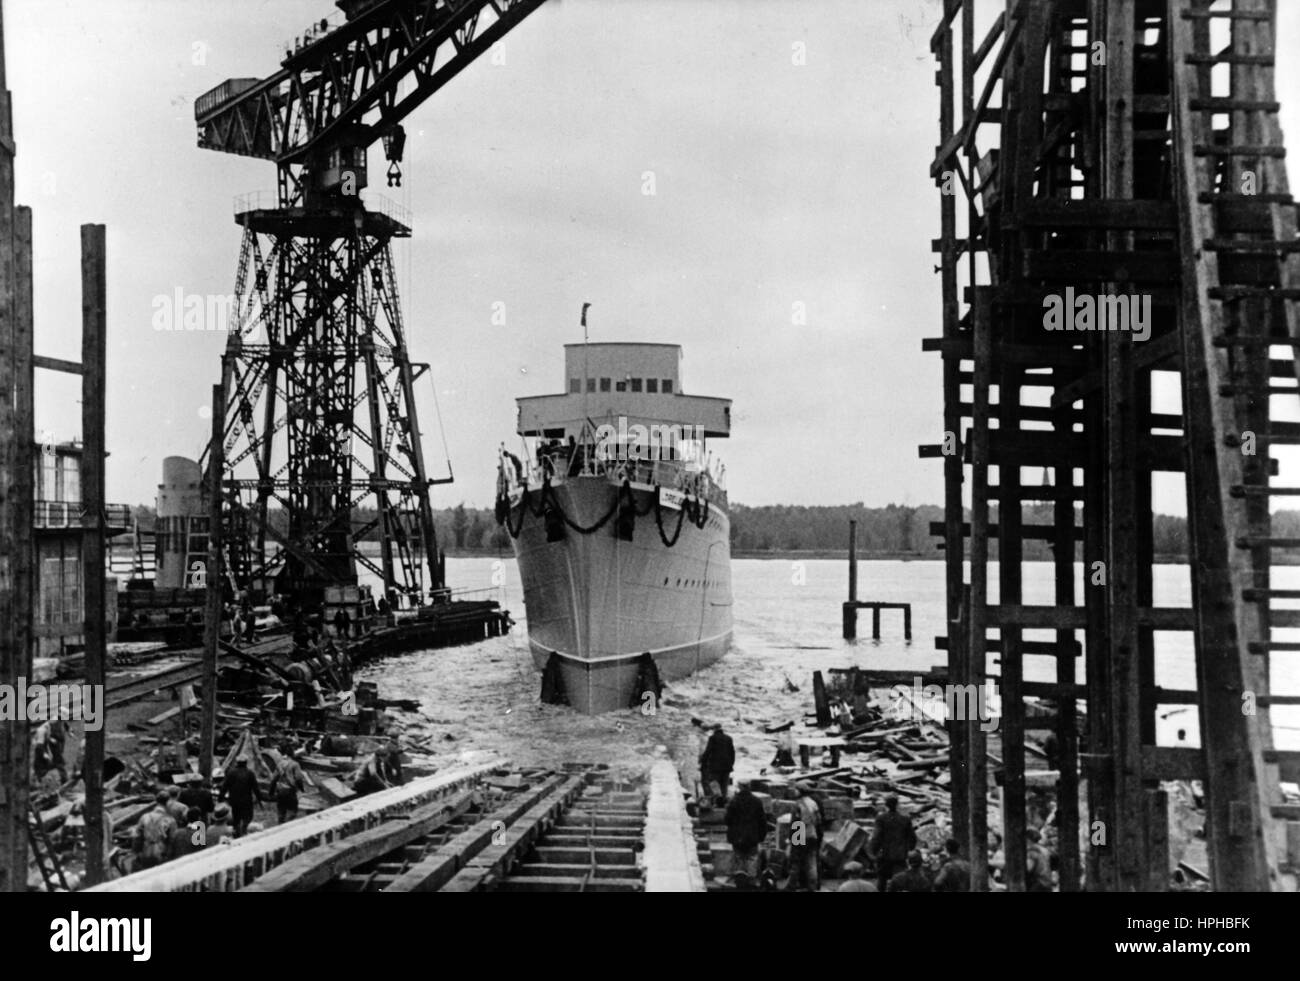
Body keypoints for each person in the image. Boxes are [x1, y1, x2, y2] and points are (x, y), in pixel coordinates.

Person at [869, 794, 917, 892]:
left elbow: (876, 836)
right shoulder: (905, 819)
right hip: (900, 855)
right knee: (899, 880)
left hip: (884, 855)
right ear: (897, 805)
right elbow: (912, 837)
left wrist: (873, 851)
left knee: (882, 880)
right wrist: (909, 849)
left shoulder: (881, 818)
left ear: (886, 805)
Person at [724, 780, 767, 887]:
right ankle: (752, 880)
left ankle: (740, 881)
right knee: (752, 858)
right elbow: (762, 821)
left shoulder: (733, 801)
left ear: (739, 787)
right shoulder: (757, 801)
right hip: (752, 837)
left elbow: (727, 820)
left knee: (739, 857)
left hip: (737, 837)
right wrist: (762, 836)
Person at [787, 782, 821, 892]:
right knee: (811, 862)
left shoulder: (797, 804)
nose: (794, 791)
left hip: (800, 832)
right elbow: (818, 820)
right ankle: (813, 885)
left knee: (795, 861)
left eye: (796, 789)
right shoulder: (813, 803)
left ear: (800, 791)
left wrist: (791, 839)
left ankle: (792, 885)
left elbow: (795, 823)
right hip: (812, 833)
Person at [133, 792, 177, 870]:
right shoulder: (170, 820)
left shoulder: (145, 817)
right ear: (167, 803)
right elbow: (172, 839)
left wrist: (138, 852)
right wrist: (169, 856)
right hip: (162, 852)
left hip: (145, 850)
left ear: (156, 802)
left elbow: (137, 836)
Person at [221, 758, 262, 837]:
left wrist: (221, 798)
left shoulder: (231, 773)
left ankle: (237, 832)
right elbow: (255, 787)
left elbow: (224, 787)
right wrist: (259, 797)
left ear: (237, 762)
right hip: (246, 801)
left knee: (236, 817)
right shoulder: (250, 773)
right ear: (246, 763)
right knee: (248, 816)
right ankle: (244, 828)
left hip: (234, 801)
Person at [698, 724, 735, 802]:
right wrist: (731, 764)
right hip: (727, 767)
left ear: (714, 729)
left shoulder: (713, 738)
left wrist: (702, 761)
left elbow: (708, 751)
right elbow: (732, 753)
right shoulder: (729, 738)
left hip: (715, 767)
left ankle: (718, 799)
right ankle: (724, 801)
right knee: (724, 784)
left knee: (714, 783)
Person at [271, 745, 307, 824]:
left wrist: (271, 791)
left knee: (281, 811)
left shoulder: (280, 764)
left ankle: (280, 826)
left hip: (280, 791)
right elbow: (298, 778)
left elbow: (274, 779)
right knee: (293, 811)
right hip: (290, 791)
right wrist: (302, 789)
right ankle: (288, 825)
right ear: (293, 755)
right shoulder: (295, 764)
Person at [1025, 827, 1054, 892]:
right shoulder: (1044, 850)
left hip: (1039, 884)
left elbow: (1028, 869)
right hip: (1047, 884)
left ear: (1027, 839)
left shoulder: (1032, 851)